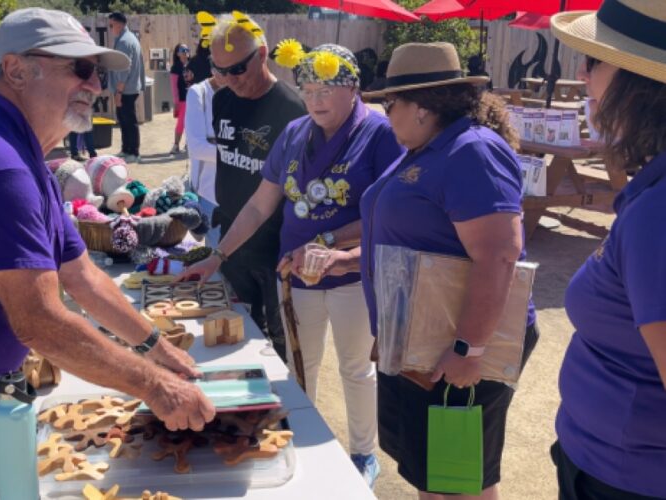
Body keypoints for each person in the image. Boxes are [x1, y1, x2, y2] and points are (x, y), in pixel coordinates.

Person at [0, 9, 214, 499]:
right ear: (18, 70)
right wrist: (156, 386)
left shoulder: (21, 155)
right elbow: (41, 320)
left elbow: (81, 274)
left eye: (99, 71)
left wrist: (157, 346)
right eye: (81, 69)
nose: (95, 84)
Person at [181, 42, 403, 486]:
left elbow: (387, 214)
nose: (316, 99)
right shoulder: (295, 133)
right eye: (308, 89)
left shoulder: (380, 134)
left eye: (327, 89)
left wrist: (329, 245)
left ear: (354, 89)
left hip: (351, 275)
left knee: (355, 368)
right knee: (304, 364)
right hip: (296, 276)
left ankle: (362, 452)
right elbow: (260, 205)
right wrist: (218, 254)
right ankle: (302, 435)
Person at [360, 42, 538, 499]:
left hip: (457, 341)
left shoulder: (470, 151)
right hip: (426, 338)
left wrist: (468, 347)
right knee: (435, 475)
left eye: (388, 102)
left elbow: (499, 255)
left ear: (420, 106)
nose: (385, 112)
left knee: (457, 479)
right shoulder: (429, 146)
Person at [549, 2, 666, 498]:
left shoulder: (657, 213)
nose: (581, 74)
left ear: (641, 85)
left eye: (594, 62)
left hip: (623, 479)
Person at [185, 12, 307, 360]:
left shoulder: (292, 109)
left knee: (281, 348)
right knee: (234, 341)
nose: (229, 79)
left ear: (263, 55)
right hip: (232, 243)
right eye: (219, 70)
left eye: (237, 69)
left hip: (275, 249)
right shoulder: (222, 100)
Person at [185, 68, 225, 246]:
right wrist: (235, 153)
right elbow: (196, 148)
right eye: (221, 69)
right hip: (210, 191)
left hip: (239, 189)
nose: (228, 75)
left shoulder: (241, 90)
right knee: (216, 257)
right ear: (212, 66)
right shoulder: (198, 93)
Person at [108, 12, 145, 164]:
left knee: (129, 120)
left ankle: (133, 152)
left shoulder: (124, 41)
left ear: (118, 24)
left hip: (125, 89)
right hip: (128, 88)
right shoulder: (128, 38)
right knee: (124, 120)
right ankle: (126, 149)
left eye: (111, 25)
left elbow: (124, 69)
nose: (110, 29)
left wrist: (119, 92)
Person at [169, 43, 190, 155]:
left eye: (187, 49)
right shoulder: (176, 68)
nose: (186, 51)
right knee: (181, 122)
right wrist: (176, 102)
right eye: (182, 50)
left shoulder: (192, 65)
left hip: (193, 99)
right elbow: (174, 87)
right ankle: (176, 145)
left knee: (191, 123)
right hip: (182, 100)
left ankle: (188, 144)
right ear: (177, 53)